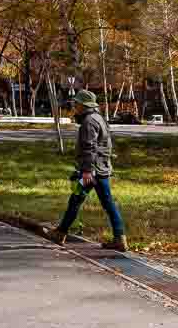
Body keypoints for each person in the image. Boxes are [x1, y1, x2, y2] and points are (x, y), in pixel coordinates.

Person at [47, 89, 127, 251]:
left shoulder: (88, 122)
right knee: (107, 204)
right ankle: (120, 238)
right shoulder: (99, 118)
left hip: (91, 171)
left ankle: (60, 233)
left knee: (75, 200)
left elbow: (88, 148)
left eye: (77, 104)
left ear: (83, 106)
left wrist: (86, 171)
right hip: (102, 169)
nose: (74, 107)